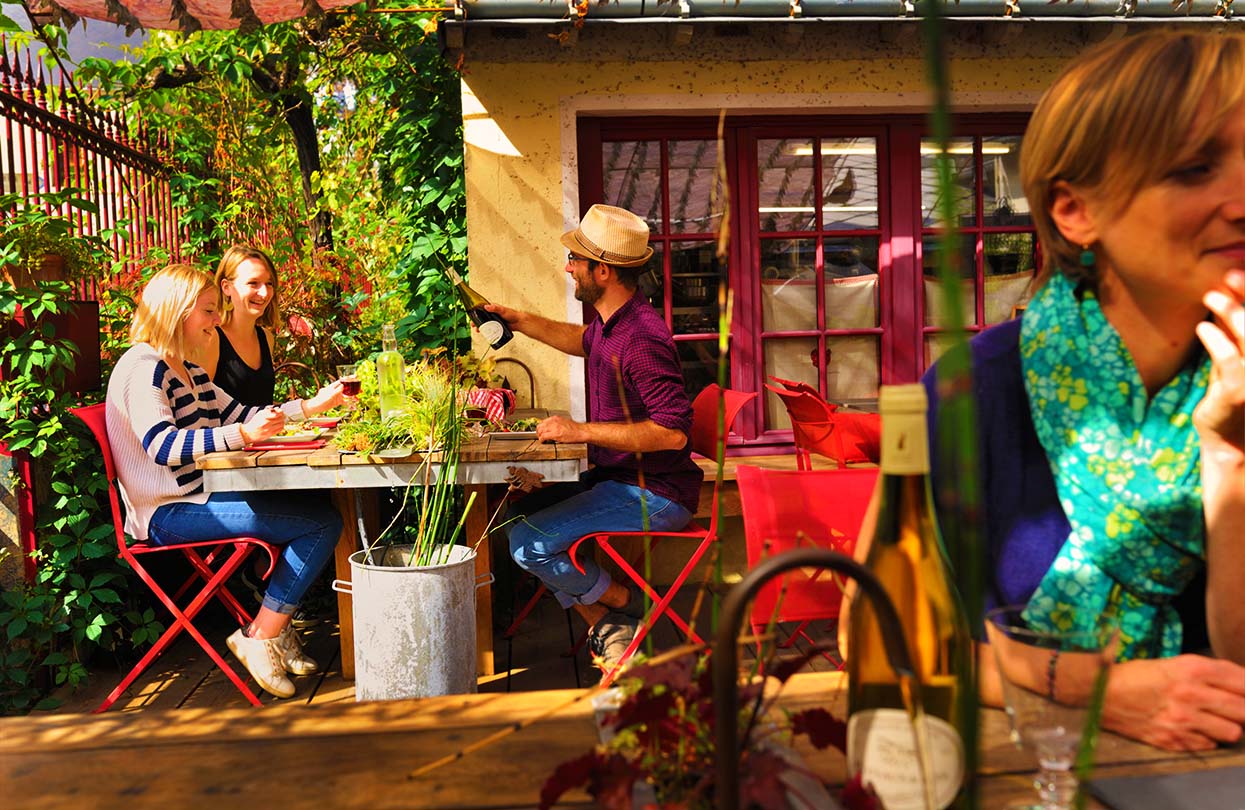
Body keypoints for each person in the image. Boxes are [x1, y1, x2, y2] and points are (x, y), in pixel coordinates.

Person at [918, 30, 1245, 751]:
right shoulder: (969, 394)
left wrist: (1227, 455)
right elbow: (880, 639)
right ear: (1074, 212)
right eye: (1195, 168)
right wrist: (1094, 690)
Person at [106, 264, 346, 699]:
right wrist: (243, 436)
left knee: (313, 507)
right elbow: (162, 446)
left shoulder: (187, 370)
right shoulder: (143, 369)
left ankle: (273, 630)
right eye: (209, 311)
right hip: (165, 512)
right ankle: (260, 636)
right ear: (178, 310)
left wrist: (314, 406)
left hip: (197, 497)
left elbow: (246, 418)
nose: (217, 321)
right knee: (320, 524)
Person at [483, 204, 704, 677]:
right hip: (618, 478)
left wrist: (579, 430)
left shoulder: (642, 338)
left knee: (527, 543)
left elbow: (672, 431)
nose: (568, 267)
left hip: (656, 494)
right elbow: (579, 340)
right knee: (518, 511)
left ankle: (620, 607)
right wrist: (517, 319)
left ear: (602, 271)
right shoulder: (613, 323)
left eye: (575, 261)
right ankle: (611, 622)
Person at [203, 244, 280, 405]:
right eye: (253, 283)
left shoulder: (266, 337)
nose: (264, 293)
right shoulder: (212, 338)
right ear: (226, 287)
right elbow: (203, 406)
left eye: (269, 283)